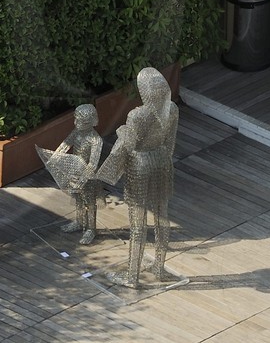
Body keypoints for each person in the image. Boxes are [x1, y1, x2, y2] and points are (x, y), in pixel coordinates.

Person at [96, 65, 179, 287]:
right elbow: (169, 145)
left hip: (140, 164)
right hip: (162, 161)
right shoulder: (171, 109)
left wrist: (121, 131)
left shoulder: (137, 115)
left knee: (138, 222)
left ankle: (132, 276)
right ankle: (159, 268)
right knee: (162, 216)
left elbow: (130, 145)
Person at [42, 103, 104, 244]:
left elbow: (93, 163)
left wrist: (84, 178)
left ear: (90, 122)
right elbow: (65, 144)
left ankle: (91, 229)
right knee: (78, 199)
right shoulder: (76, 132)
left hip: (88, 177)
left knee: (90, 202)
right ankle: (79, 221)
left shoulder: (96, 140)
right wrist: (54, 158)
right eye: (75, 119)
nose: (75, 123)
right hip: (74, 172)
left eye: (80, 121)